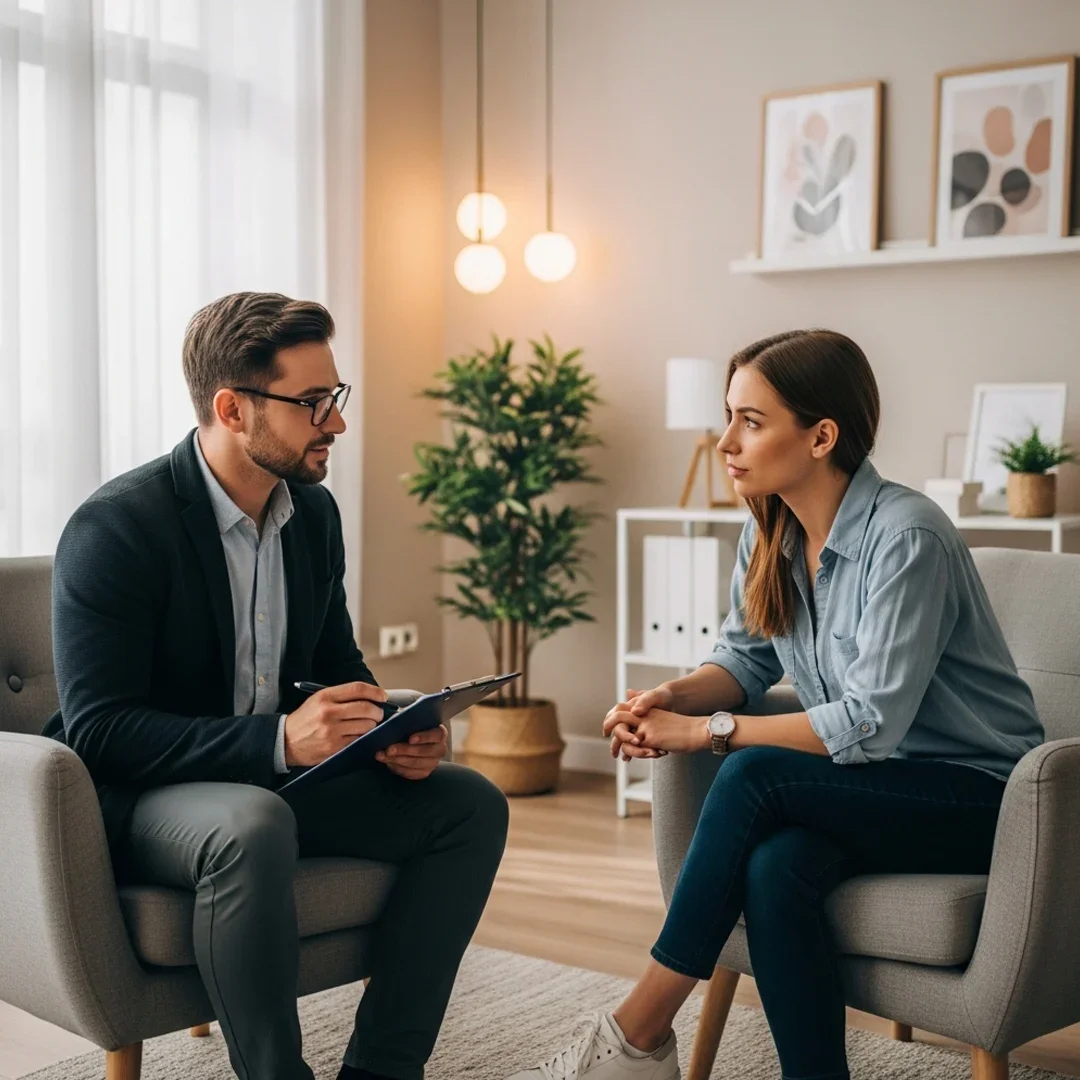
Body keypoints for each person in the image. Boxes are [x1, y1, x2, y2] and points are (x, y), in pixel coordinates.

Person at [505, 329, 1043, 1080]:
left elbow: (870, 720)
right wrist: (666, 696)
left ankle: (638, 1030)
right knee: (774, 867)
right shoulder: (772, 531)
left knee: (754, 772)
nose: (726, 441)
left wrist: (700, 733)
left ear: (821, 435)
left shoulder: (906, 535)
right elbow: (744, 660)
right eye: (730, 416)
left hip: (983, 799)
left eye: (751, 421)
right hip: (875, 789)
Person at [43, 291, 509, 1080]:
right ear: (232, 407)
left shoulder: (313, 517)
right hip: (146, 792)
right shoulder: (116, 528)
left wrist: (395, 728)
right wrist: (278, 739)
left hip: (277, 777)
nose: (337, 422)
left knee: (469, 805)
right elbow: (100, 731)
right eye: (312, 403)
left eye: (335, 397)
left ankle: (383, 1070)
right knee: (252, 823)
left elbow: (335, 664)